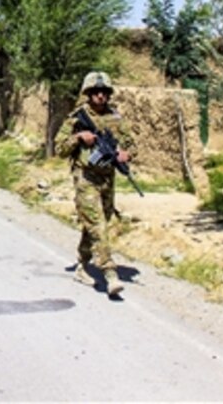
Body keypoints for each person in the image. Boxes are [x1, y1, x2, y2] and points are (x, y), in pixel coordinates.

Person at [55, 71, 135, 297]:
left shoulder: (116, 119)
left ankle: (82, 264)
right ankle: (110, 274)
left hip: (107, 179)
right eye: (95, 92)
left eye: (104, 92)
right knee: (98, 226)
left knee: (96, 224)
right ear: (87, 94)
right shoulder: (76, 118)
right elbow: (59, 149)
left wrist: (125, 154)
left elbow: (132, 145)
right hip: (85, 178)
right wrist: (79, 138)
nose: (100, 96)